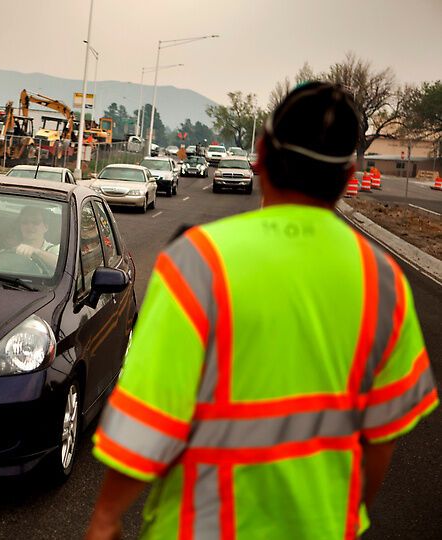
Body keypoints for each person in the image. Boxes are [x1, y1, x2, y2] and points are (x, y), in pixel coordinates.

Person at [85, 82, 438, 540]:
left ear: (261, 156)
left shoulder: (200, 261)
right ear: (350, 175)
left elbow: (149, 417)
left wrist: (107, 516)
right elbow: (382, 436)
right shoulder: (383, 280)